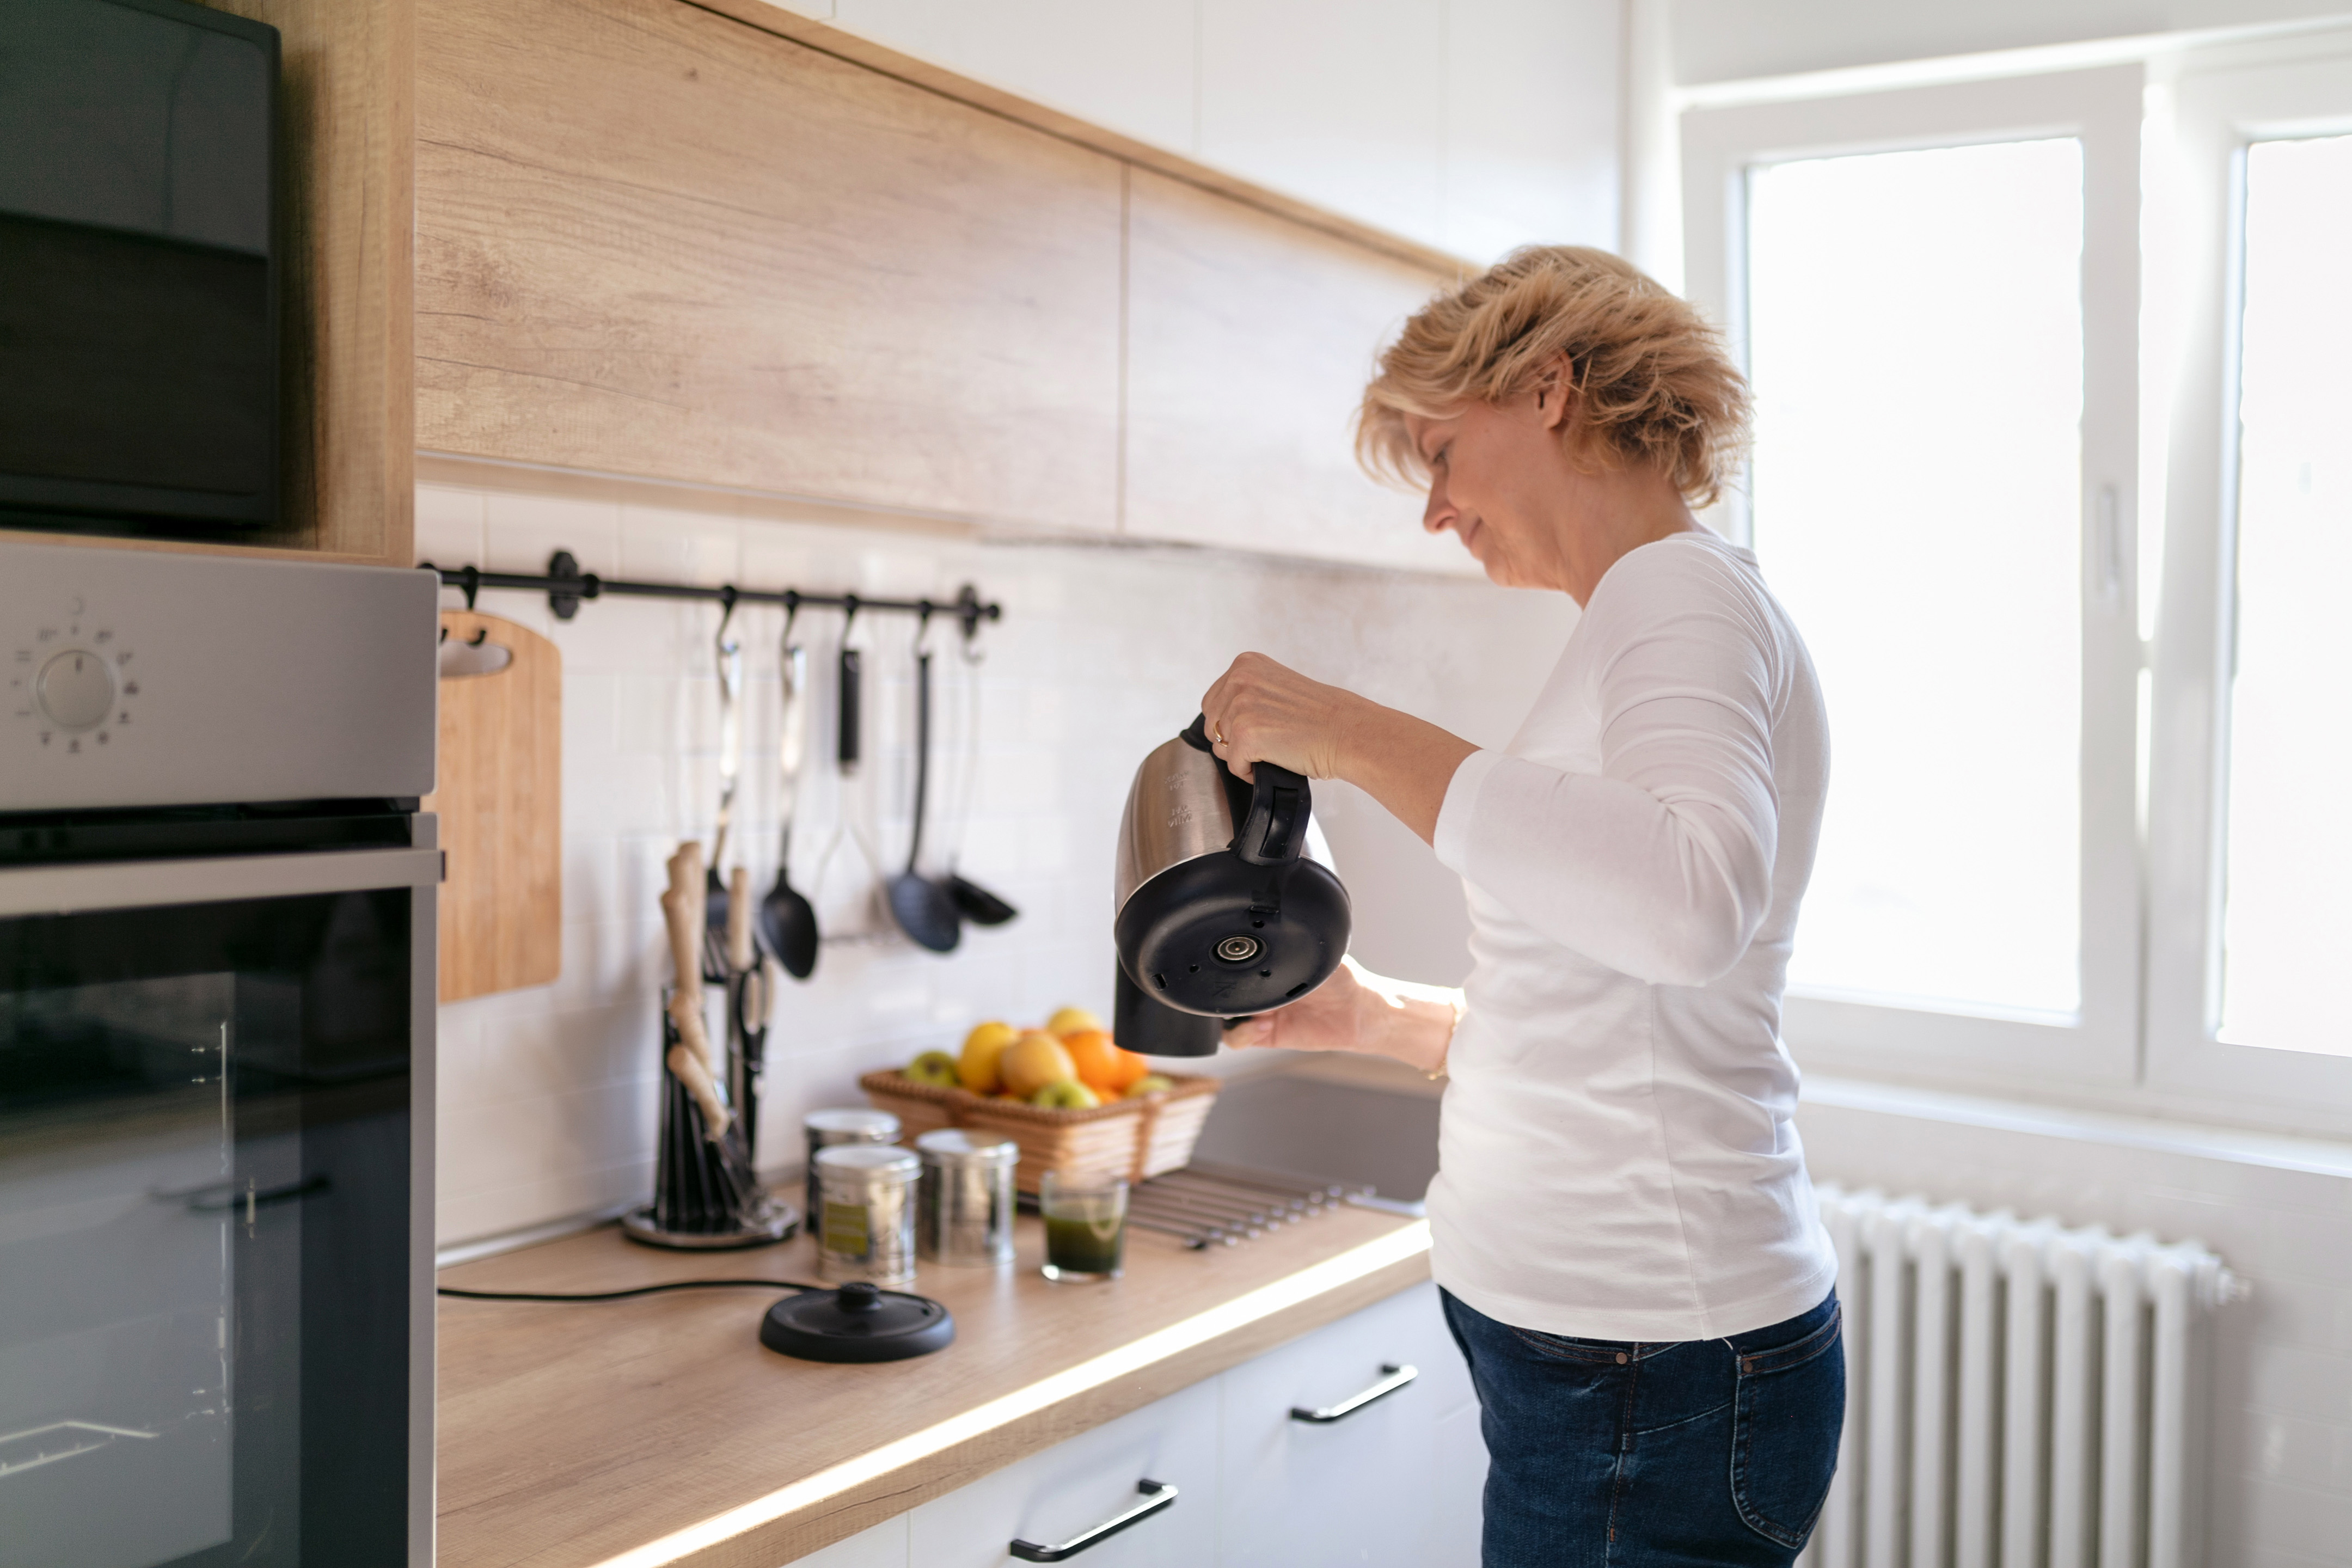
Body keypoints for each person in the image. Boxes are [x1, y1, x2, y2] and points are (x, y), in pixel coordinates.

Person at [1199, 246, 1843, 1567]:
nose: (1435, 509)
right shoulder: (1644, 616)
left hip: (1644, 1371)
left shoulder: (1679, 594)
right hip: (1620, 1367)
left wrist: (1347, 731)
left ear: (1548, 388)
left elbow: (1686, 902)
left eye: (1441, 452)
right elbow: (1620, 1008)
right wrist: (1381, 1016)